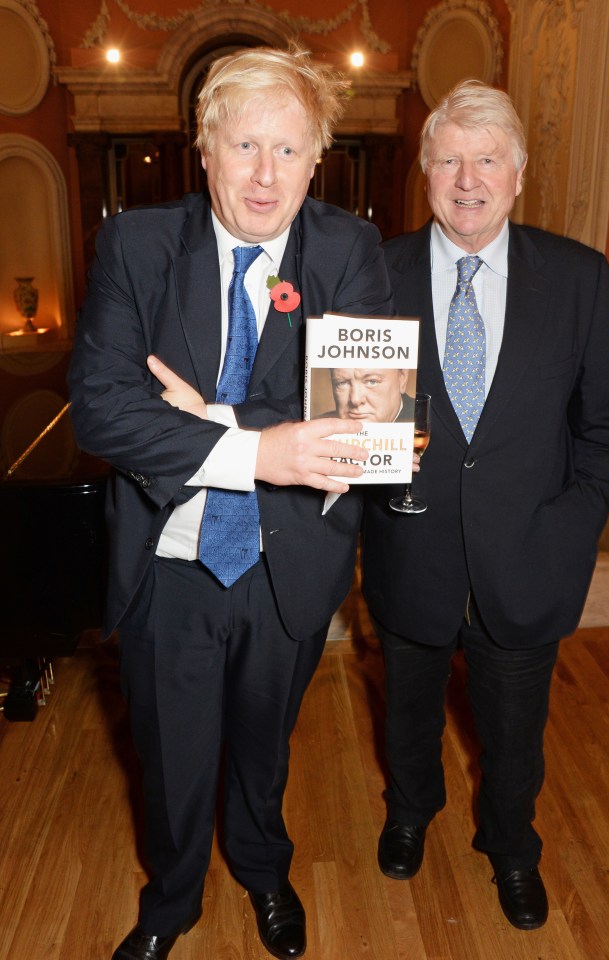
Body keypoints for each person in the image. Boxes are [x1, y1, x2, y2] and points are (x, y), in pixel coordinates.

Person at [68, 45, 393, 960]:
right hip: (171, 561)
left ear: (317, 159)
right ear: (202, 149)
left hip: (290, 560)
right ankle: (171, 901)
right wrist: (265, 445)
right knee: (170, 759)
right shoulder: (135, 246)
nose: (264, 175)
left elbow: (358, 414)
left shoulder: (349, 249)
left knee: (266, 741)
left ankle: (262, 869)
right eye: (244, 146)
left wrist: (207, 416)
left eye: (288, 151)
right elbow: (102, 408)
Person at [361, 79, 609, 931]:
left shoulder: (580, 277)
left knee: (516, 734)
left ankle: (511, 846)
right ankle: (410, 812)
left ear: (518, 175)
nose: (466, 179)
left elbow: (604, 431)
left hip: (530, 561)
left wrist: (571, 531)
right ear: (425, 174)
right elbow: (355, 413)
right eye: (447, 160)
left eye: (485, 160)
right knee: (406, 708)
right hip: (411, 551)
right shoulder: (376, 273)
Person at [326, 367, 414, 422]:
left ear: (402, 378)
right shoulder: (318, 428)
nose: (355, 400)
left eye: (372, 381)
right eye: (342, 383)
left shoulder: (422, 426)